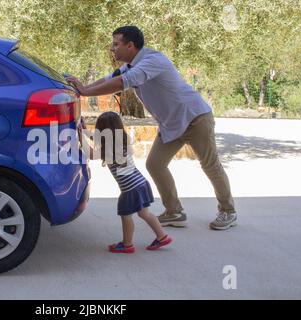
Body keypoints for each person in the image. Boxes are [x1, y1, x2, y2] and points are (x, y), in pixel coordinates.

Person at [67, 26, 237, 230]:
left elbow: (122, 82)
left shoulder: (152, 61)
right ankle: (174, 211)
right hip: (171, 125)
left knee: (210, 165)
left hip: (194, 118)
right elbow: (110, 78)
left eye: (116, 44)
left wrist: (86, 92)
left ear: (130, 45)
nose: (112, 49)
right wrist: (83, 88)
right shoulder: (130, 64)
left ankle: (228, 211)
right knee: (155, 164)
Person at [78, 112, 172, 253]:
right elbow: (98, 139)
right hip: (140, 183)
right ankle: (162, 236)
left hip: (129, 189)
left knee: (126, 216)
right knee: (145, 214)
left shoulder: (110, 149)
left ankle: (127, 244)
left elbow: (91, 154)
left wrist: (80, 136)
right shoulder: (121, 141)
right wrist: (85, 131)